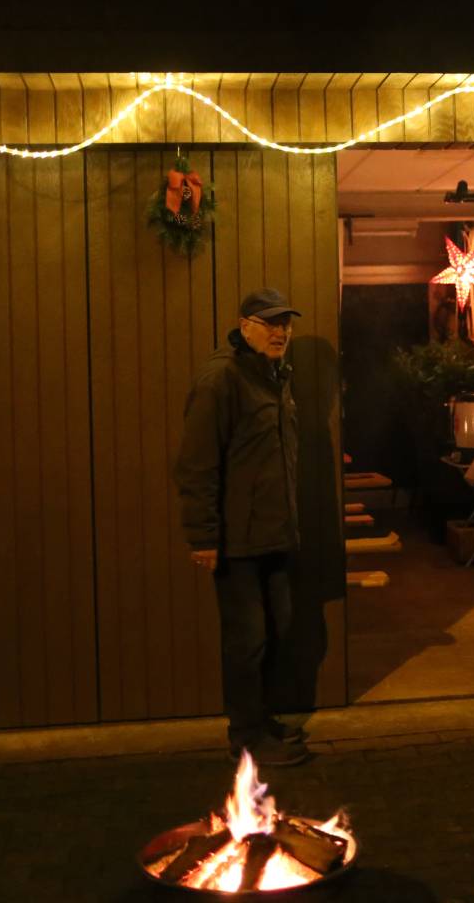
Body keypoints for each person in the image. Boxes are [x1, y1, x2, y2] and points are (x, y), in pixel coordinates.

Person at [175, 287, 309, 767]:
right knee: (247, 640)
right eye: (270, 323)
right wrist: (204, 537)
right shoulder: (222, 379)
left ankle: (261, 720)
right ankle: (246, 738)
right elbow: (197, 463)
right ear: (244, 324)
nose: (280, 332)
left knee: (277, 631)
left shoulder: (273, 375)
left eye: (285, 324)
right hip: (237, 541)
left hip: (273, 533)